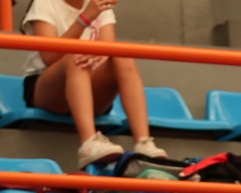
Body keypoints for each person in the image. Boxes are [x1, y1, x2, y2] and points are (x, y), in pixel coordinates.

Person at [21, 0, 167, 169]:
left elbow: (108, 51)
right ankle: (89, 142)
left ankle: (144, 143)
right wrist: (84, 19)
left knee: (123, 56)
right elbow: (50, 57)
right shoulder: (44, 3)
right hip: (48, 88)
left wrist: (99, 55)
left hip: (89, 84)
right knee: (76, 57)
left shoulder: (100, 4)